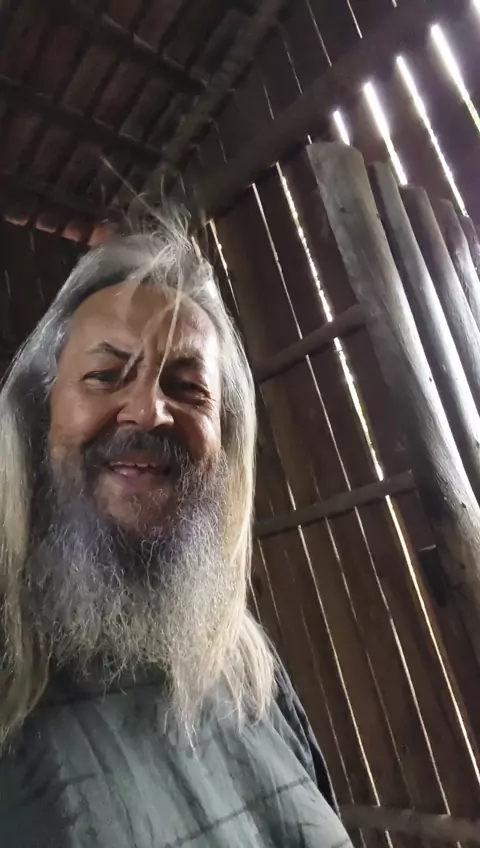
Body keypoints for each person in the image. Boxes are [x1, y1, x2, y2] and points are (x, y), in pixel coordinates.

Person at [0, 209, 352, 847]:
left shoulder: (250, 671)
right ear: (36, 414)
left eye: (188, 387)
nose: (148, 410)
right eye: (106, 375)